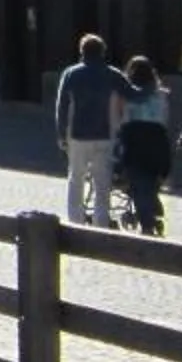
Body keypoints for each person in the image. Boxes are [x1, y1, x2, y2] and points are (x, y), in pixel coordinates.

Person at [52, 34, 136, 226]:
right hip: (104, 134)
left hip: (77, 135)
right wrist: (152, 90)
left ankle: (75, 221)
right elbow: (132, 93)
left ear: (82, 51)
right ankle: (101, 223)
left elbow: (62, 106)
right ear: (102, 52)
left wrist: (61, 133)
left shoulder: (71, 73)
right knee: (103, 181)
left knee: (76, 179)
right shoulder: (112, 73)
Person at [115, 56, 170, 235]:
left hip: (134, 138)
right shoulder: (161, 95)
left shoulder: (126, 94)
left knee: (137, 182)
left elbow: (121, 120)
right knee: (152, 179)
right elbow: (164, 120)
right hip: (158, 139)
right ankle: (153, 207)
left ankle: (147, 224)